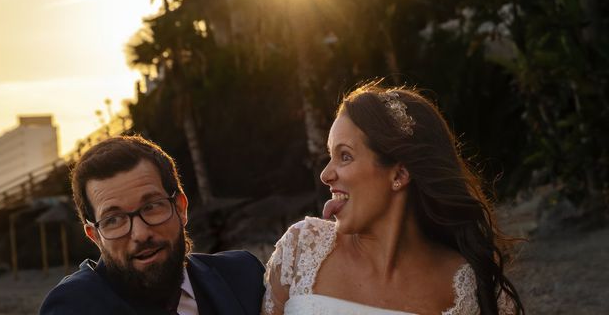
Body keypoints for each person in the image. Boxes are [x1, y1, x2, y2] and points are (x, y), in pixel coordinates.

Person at [263, 83, 524, 315]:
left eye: (345, 156)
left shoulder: (473, 288)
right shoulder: (302, 248)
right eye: (329, 155)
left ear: (399, 173)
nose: (325, 174)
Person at [39, 135, 264, 315]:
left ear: (180, 207)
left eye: (151, 207)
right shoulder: (72, 307)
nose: (140, 233)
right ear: (94, 236)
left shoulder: (244, 274)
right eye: (113, 220)